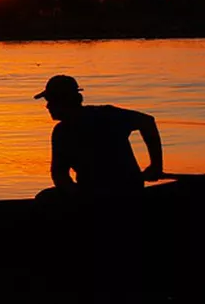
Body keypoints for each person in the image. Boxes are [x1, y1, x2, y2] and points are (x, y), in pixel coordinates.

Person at [34, 74, 164, 206]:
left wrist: (76, 194)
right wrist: (156, 165)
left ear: (63, 101)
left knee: (44, 199)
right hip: (125, 190)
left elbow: (59, 174)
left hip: (101, 193)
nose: (48, 106)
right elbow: (147, 122)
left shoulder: (63, 132)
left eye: (50, 101)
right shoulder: (108, 114)